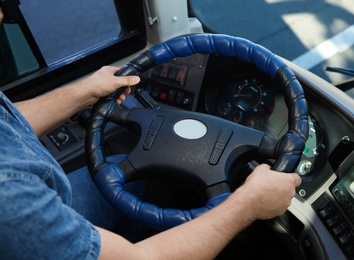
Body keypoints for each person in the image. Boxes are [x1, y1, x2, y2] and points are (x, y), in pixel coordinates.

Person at [0, 7, 301, 260]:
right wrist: (248, 203)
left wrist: (85, 91)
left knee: (122, 169)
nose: (5, 14)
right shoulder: (13, 202)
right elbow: (141, 259)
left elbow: (7, 121)